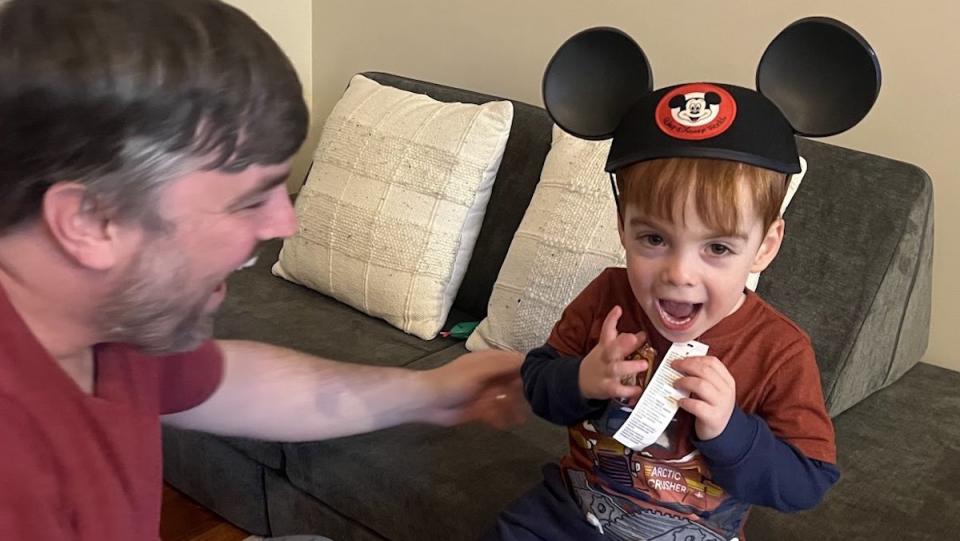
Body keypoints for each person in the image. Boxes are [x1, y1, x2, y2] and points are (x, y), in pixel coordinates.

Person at [0, 1, 523, 539]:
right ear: (91, 220)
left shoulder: (109, 324)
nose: (285, 223)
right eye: (249, 201)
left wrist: (430, 392)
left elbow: (230, 383)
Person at [487, 22, 880, 541]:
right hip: (568, 515)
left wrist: (729, 430)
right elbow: (538, 384)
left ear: (764, 246)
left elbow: (806, 483)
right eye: (654, 239)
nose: (679, 273)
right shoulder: (608, 296)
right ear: (623, 228)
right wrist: (582, 379)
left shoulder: (779, 351)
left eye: (717, 248)